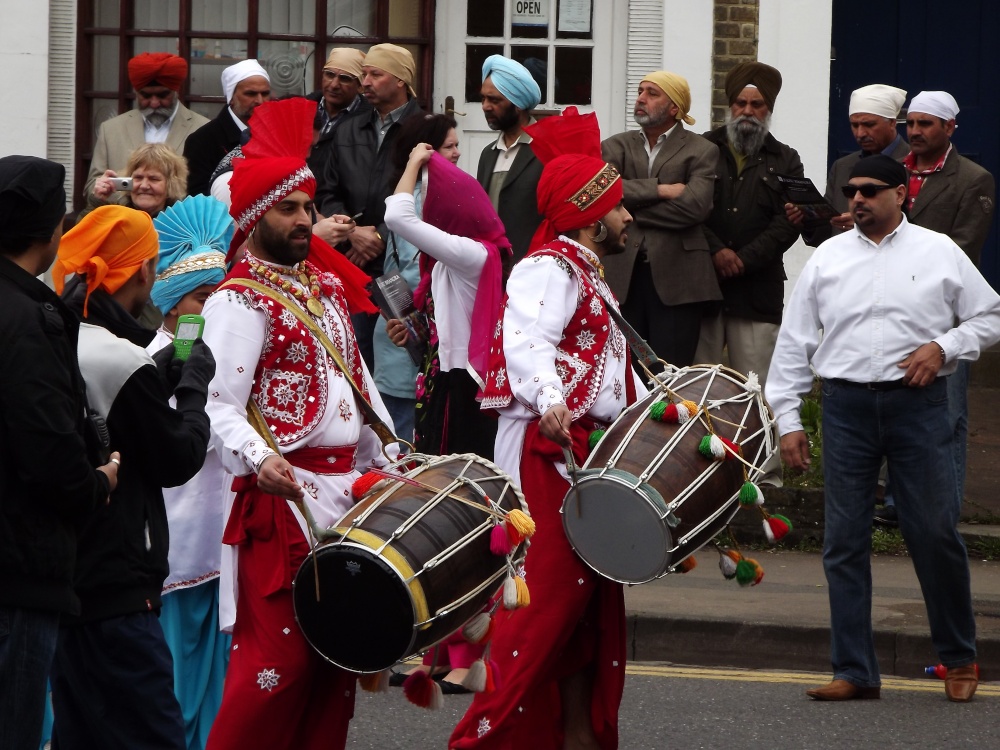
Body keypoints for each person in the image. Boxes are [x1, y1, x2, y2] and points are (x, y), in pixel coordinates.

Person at [765, 155, 1000, 704]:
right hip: (846, 407)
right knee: (843, 542)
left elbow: (989, 316)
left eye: (871, 190)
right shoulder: (827, 258)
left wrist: (944, 347)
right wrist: (788, 418)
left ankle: (959, 657)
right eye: (851, 191)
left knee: (934, 532)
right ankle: (854, 669)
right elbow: (795, 342)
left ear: (901, 194)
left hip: (918, 407)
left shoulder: (938, 250)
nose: (857, 199)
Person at [452, 108, 646, 749]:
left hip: (585, 456)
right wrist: (552, 398)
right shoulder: (549, 269)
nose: (627, 219)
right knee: (542, 611)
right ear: (592, 215)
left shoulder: (586, 273)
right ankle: (480, 740)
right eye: (619, 209)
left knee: (584, 620)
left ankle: (572, 738)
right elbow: (526, 340)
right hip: (551, 455)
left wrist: (659, 409)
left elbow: (612, 367)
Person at [201, 154, 397, 750]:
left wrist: (390, 456)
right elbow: (218, 405)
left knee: (332, 670)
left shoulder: (325, 289)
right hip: (282, 503)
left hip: (345, 499)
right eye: (288, 209)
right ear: (257, 216)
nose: (305, 220)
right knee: (276, 669)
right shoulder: (238, 302)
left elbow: (358, 385)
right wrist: (259, 460)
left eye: (309, 208)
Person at [50, 205, 215, 748]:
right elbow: (178, 457)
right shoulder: (118, 357)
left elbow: (119, 415)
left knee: (83, 730)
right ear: (144, 271)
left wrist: (163, 373)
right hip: (118, 581)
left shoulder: (60, 332)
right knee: (153, 733)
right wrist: (192, 386)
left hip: (65, 572)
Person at [0, 156, 119, 750]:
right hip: (18, 564)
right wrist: (99, 480)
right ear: (50, 235)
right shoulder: (29, 319)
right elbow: (49, 451)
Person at [147, 194, 234, 750]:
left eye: (220, 296)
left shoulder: (216, 351)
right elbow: (191, 440)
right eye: (204, 297)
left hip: (219, 537)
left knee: (219, 681)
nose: (215, 308)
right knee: (175, 674)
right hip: (177, 542)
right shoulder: (155, 358)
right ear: (175, 303)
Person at [900, 90, 996, 516]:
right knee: (897, 408)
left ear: (949, 127)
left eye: (926, 124)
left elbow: (964, 249)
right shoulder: (892, 172)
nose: (915, 132)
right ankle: (898, 503)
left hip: (945, 315)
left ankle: (945, 508)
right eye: (911, 123)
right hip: (892, 309)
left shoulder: (973, 179)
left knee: (948, 415)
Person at [695, 61, 803, 388]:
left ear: (768, 109)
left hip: (757, 293)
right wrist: (716, 250)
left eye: (756, 105)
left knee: (756, 392)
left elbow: (790, 220)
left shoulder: (786, 159)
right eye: (740, 103)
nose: (747, 111)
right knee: (696, 390)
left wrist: (743, 259)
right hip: (703, 288)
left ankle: (758, 443)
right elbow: (685, 209)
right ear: (730, 106)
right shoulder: (701, 148)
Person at [601, 70, 719, 366]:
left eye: (653, 94)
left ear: (675, 108)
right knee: (623, 371)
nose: (641, 98)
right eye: (641, 91)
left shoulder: (702, 150)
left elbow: (695, 208)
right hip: (621, 274)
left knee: (671, 373)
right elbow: (603, 195)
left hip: (679, 279)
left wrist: (629, 207)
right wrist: (662, 190)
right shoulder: (615, 146)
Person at [374, 113, 461, 445]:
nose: (456, 153)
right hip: (408, 342)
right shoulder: (423, 201)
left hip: (401, 335)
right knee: (407, 444)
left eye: (457, 146)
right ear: (425, 152)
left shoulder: (406, 192)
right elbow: (416, 270)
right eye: (449, 146)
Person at [788, 83, 909, 246]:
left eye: (869, 125)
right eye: (854, 125)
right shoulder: (842, 167)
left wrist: (866, 224)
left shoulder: (914, 164)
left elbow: (923, 228)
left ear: (892, 123)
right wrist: (806, 220)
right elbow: (825, 233)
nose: (860, 133)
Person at [85, 52, 208, 200]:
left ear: (176, 92)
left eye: (162, 96)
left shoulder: (203, 129)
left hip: (178, 221)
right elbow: (92, 186)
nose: (154, 103)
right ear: (136, 93)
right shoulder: (110, 130)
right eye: (146, 96)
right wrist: (103, 190)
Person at [476, 55, 544, 263]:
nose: (485, 106)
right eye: (483, 98)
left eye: (495, 100)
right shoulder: (488, 154)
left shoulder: (545, 149)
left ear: (518, 104)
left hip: (532, 265)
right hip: (492, 264)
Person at [184, 60, 271, 196]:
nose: (260, 100)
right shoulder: (203, 141)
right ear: (231, 97)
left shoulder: (274, 134)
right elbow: (197, 198)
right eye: (250, 94)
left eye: (265, 94)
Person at [308, 48, 370, 178]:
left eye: (345, 79)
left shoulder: (369, 121)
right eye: (329, 75)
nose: (334, 85)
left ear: (360, 86)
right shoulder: (302, 110)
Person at [87, 142, 189, 219]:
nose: (144, 186)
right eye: (138, 178)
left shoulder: (182, 224)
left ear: (171, 184)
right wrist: (96, 202)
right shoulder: (114, 217)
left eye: (153, 179)